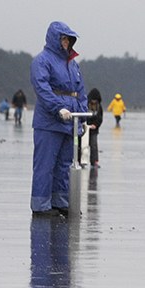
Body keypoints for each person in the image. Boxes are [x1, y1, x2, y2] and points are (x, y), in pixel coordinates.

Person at [30, 22, 87, 216]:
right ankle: (40, 205)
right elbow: (42, 88)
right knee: (45, 165)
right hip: (49, 122)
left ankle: (60, 201)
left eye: (68, 39)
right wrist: (58, 108)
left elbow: (80, 91)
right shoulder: (42, 61)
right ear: (55, 39)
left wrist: (83, 113)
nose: (66, 42)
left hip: (71, 120)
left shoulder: (73, 64)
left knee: (64, 164)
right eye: (63, 38)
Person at [84, 88, 103, 167]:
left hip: (94, 130)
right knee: (82, 145)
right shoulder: (85, 105)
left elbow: (100, 118)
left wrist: (95, 125)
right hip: (84, 128)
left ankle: (94, 161)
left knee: (94, 146)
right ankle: (80, 161)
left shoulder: (99, 107)